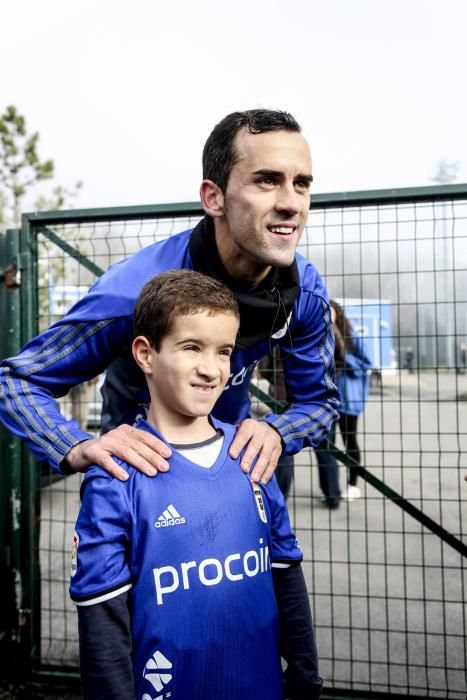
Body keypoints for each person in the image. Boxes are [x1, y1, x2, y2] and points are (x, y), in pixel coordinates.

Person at [0, 109, 339, 486]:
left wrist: (277, 432)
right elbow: (16, 382)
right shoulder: (134, 291)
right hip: (138, 480)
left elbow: (319, 403)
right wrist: (74, 445)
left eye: (302, 184)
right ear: (214, 197)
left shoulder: (304, 292)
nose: (292, 203)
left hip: (230, 473)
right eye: (267, 181)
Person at [70, 270, 322, 700]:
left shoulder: (252, 454)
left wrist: (304, 678)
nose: (211, 369)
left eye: (224, 352)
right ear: (146, 354)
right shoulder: (116, 477)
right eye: (192, 348)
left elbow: (286, 576)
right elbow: (103, 627)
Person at [316, 300, 371, 506]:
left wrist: (344, 356)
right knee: (328, 446)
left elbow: (366, 364)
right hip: (328, 400)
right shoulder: (320, 336)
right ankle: (332, 491)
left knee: (350, 442)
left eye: (330, 313)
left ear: (338, 314)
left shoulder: (352, 339)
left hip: (349, 399)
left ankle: (353, 485)